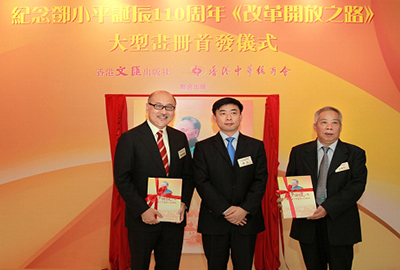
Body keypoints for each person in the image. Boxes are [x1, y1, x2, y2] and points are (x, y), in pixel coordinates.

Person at [113, 90, 194, 270]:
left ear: (174, 111)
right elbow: (122, 179)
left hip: (173, 219)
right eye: (158, 106)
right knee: (140, 265)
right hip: (142, 218)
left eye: (169, 107)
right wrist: (143, 210)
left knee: (169, 266)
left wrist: (184, 204)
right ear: (147, 107)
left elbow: (188, 175)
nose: (163, 111)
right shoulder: (130, 138)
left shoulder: (179, 138)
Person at [284, 106, 367, 270]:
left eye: (334, 123)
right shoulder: (299, 152)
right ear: (315, 127)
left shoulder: (354, 153)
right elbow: (292, 181)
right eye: (324, 122)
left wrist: (327, 208)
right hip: (308, 224)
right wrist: (289, 200)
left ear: (340, 127)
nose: (329, 127)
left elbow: (356, 186)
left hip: (340, 223)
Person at [193, 97, 268, 270]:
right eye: (223, 113)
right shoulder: (203, 148)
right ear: (214, 118)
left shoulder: (255, 146)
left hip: (246, 220)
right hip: (215, 220)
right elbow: (201, 181)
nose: (228, 117)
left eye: (233, 113)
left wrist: (244, 209)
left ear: (241, 117)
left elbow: (260, 179)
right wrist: (225, 210)